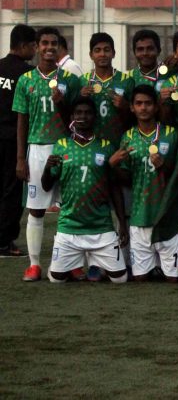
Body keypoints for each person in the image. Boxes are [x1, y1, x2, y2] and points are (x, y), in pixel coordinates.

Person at [13, 27, 81, 281]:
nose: (49, 47)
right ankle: (34, 264)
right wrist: (20, 158)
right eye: (44, 43)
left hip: (65, 148)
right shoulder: (26, 80)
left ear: (60, 48)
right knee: (37, 209)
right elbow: (22, 120)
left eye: (54, 43)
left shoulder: (71, 80)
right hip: (37, 148)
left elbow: (77, 118)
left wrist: (62, 103)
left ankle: (71, 262)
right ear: (37, 47)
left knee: (69, 208)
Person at [42, 97, 127, 283]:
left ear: (95, 117)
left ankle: (96, 264)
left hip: (101, 227)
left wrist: (122, 223)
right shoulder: (62, 145)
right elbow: (47, 185)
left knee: (120, 279)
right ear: (72, 116)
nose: (83, 116)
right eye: (79, 113)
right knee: (56, 280)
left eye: (88, 113)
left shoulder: (105, 147)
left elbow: (114, 188)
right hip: (69, 226)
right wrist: (47, 168)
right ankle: (72, 264)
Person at [109, 85, 178, 281]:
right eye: (139, 104)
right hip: (139, 216)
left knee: (173, 279)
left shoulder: (171, 134)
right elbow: (127, 178)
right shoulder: (128, 137)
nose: (143, 108)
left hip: (167, 217)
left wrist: (163, 166)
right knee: (140, 279)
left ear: (156, 106)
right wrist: (113, 165)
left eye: (148, 103)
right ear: (131, 108)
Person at [0, 24, 36, 257]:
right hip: (13, 141)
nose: (34, 50)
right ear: (23, 46)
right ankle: (4, 242)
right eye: (33, 45)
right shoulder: (27, 74)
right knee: (11, 192)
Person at [79, 32, 134, 144]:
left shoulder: (127, 81)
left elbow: (135, 114)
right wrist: (80, 97)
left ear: (113, 53)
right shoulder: (82, 81)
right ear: (91, 55)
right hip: (91, 144)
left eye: (107, 50)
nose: (102, 54)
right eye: (97, 50)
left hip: (118, 142)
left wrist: (126, 106)